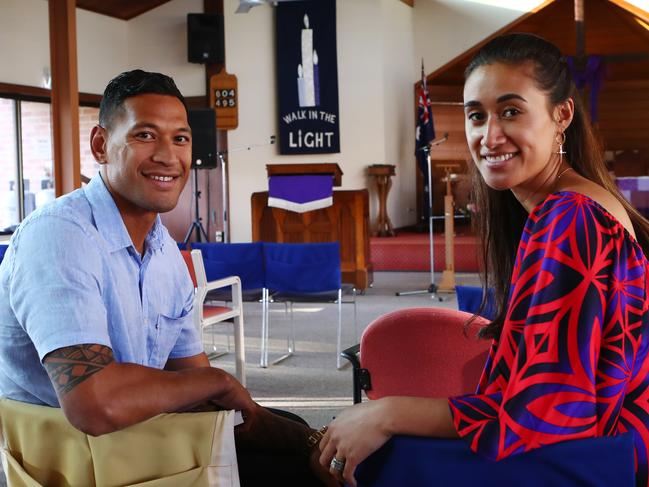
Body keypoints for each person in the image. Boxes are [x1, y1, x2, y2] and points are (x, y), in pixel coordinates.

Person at [318, 33, 649, 487]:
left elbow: (548, 410)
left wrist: (390, 411)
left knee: (361, 461)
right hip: (586, 449)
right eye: (476, 115)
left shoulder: (570, 216)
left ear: (562, 115)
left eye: (511, 111)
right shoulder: (570, 205)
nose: (488, 136)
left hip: (585, 463)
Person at [0, 69, 334, 486]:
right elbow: (95, 404)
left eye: (180, 138)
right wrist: (217, 380)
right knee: (286, 474)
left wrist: (308, 440)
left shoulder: (164, 252)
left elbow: (195, 385)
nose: (167, 155)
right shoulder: (60, 235)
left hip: (137, 431)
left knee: (289, 433)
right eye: (145, 135)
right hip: (75, 456)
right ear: (102, 145)